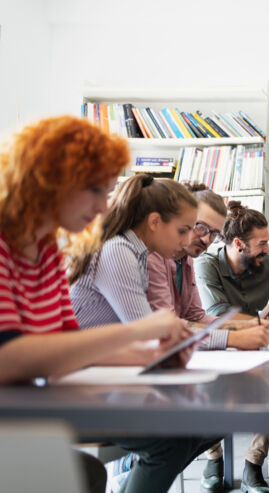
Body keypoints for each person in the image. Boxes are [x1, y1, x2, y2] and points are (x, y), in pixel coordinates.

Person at [0, 116, 214, 493]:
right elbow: (9, 358)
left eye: (108, 192)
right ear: (51, 180)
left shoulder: (47, 249)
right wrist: (137, 333)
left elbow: (67, 341)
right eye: (95, 191)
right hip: (17, 412)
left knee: (164, 441)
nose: (102, 207)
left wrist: (151, 356)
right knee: (165, 442)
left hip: (31, 404)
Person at [145, 183, 269, 493]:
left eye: (212, 233)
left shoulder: (186, 261)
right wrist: (233, 338)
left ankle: (236, 461)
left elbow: (195, 317)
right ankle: (212, 459)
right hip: (148, 367)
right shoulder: (159, 259)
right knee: (215, 407)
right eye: (199, 228)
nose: (205, 239)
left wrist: (245, 328)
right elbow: (169, 330)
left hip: (174, 357)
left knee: (251, 392)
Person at [194, 202, 269, 493]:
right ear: (238, 244)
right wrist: (264, 324)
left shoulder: (267, 263)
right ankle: (214, 457)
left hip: (259, 348)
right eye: (262, 243)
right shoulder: (205, 264)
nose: (268, 249)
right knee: (209, 394)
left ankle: (254, 462)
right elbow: (220, 314)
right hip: (216, 346)